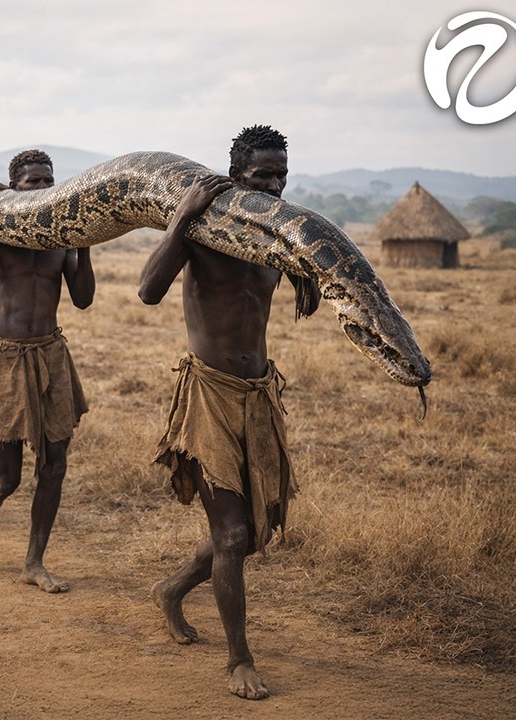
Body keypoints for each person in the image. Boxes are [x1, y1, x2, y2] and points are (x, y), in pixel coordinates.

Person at [137, 125, 320, 700]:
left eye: (281, 175)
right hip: (210, 394)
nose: (274, 185)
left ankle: (173, 588)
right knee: (234, 535)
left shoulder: (276, 236)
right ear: (236, 175)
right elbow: (147, 290)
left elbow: (305, 286)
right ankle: (239, 660)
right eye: (263, 175)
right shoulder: (203, 232)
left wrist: (304, 276)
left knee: (252, 533)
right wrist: (182, 217)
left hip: (259, 395)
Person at [0, 150, 95, 593]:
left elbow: (84, 298)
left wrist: (84, 239)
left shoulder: (58, 234)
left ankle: (34, 561)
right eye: (32, 181)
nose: (41, 188)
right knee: (6, 478)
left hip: (51, 355)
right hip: (4, 358)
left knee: (54, 466)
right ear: (15, 186)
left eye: (47, 181)